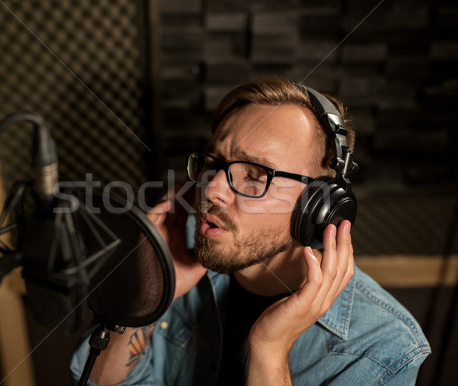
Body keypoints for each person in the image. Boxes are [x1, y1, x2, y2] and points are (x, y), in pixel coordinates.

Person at [71, 78, 431, 385]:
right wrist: (150, 291)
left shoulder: (382, 348)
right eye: (214, 164)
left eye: (256, 175)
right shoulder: (178, 256)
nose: (212, 190)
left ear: (317, 206)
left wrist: (270, 352)